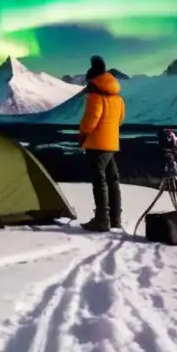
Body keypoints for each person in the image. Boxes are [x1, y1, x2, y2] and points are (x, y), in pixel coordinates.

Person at [78, 55, 126, 232]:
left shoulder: (95, 97)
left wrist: (82, 134)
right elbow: (120, 119)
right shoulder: (118, 98)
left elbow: (91, 121)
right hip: (111, 144)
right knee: (113, 180)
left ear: (93, 80)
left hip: (96, 145)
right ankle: (115, 218)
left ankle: (102, 219)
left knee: (99, 182)